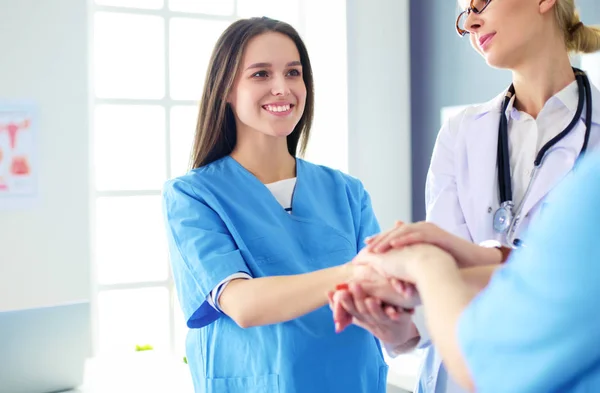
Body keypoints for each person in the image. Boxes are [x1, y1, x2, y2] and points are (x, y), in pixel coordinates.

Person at [331, 1, 600, 392]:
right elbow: (439, 286)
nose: (470, 22)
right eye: (463, 13)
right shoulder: (460, 134)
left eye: (480, 3)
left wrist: (424, 264)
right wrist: (397, 326)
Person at [162, 16, 391, 393]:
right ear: (227, 90)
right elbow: (244, 305)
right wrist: (355, 273)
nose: (282, 88)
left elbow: (383, 295)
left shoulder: (347, 191)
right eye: (260, 75)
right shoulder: (193, 197)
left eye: (293, 73)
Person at [342, 151, 600, 393]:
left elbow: (482, 359)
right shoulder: (462, 129)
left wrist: (426, 262)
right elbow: (554, 276)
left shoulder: (591, 187)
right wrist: (483, 257)